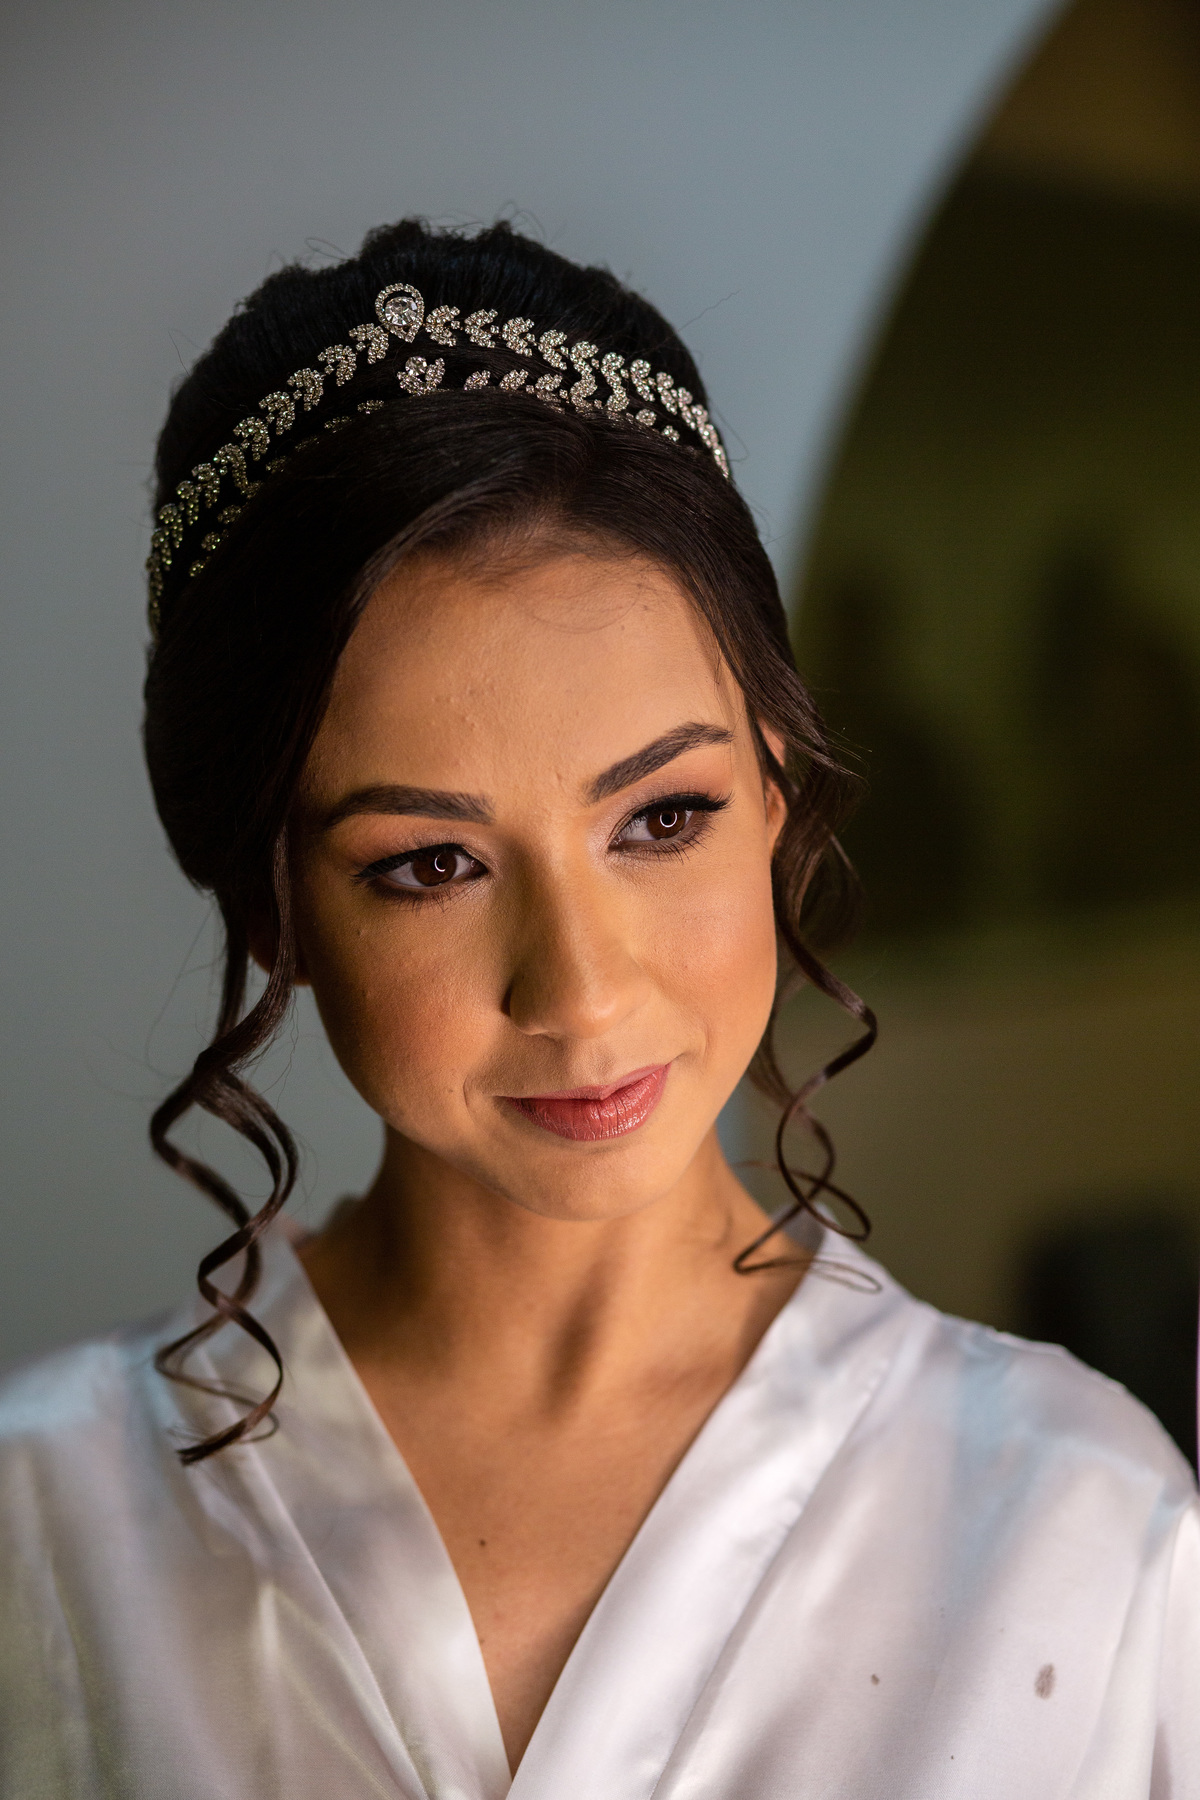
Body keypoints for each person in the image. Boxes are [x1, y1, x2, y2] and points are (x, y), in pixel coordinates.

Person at [0, 219, 1195, 1800]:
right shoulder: (46, 1528)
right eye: (431, 863)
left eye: (662, 818)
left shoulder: (1083, 1533)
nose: (580, 990)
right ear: (270, 902)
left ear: (777, 792)